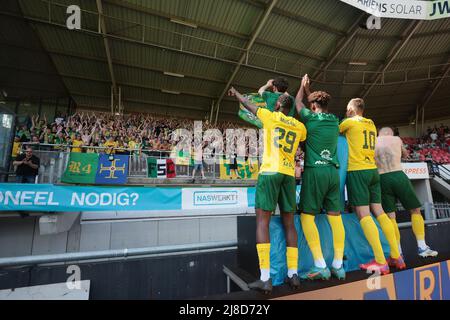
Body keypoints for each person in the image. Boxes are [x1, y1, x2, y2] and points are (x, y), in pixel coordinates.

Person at [229, 86, 307, 293]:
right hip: (289, 175)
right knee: (290, 224)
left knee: (262, 222)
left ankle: (265, 278)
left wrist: (236, 94)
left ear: (279, 105)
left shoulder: (271, 116)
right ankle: (293, 274)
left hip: (270, 173)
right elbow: (303, 139)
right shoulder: (299, 126)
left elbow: (249, 105)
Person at [339, 98, 401, 275]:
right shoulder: (372, 123)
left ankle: (381, 261)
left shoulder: (348, 122)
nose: (346, 110)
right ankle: (396, 255)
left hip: (358, 171)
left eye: (347, 108)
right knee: (380, 211)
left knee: (363, 214)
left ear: (352, 108)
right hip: (373, 171)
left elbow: (332, 131)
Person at [295, 75, 346, 281]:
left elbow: (298, 103)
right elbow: (314, 104)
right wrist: (312, 93)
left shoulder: (309, 118)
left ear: (313, 106)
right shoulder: (335, 121)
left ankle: (320, 266)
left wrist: (302, 86)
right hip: (333, 173)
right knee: (336, 218)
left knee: (307, 216)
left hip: (315, 172)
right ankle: (338, 265)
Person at [375, 127, 438, 260]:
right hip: (398, 175)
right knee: (415, 210)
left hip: (382, 178)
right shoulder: (396, 140)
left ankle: (397, 253)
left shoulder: (373, 142)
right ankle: (422, 247)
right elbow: (405, 154)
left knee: (390, 217)